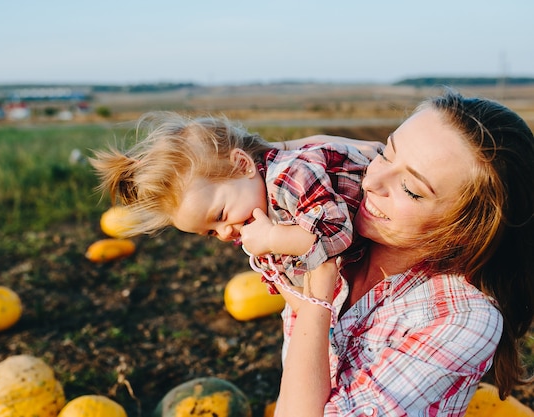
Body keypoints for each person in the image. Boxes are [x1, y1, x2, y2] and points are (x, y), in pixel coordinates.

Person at [274, 90, 534, 416]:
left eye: (410, 189)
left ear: (467, 228)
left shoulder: (464, 320)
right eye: (386, 152)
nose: (372, 181)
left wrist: (316, 291)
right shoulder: (337, 223)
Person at [90, 110, 375, 341]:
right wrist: (310, 327)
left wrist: (274, 238)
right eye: (211, 232)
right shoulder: (253, 212)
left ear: (242, 165)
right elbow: (285, 283)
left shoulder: (290, 175)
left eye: (221, 215)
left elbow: (335, 232)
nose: (225, 233)